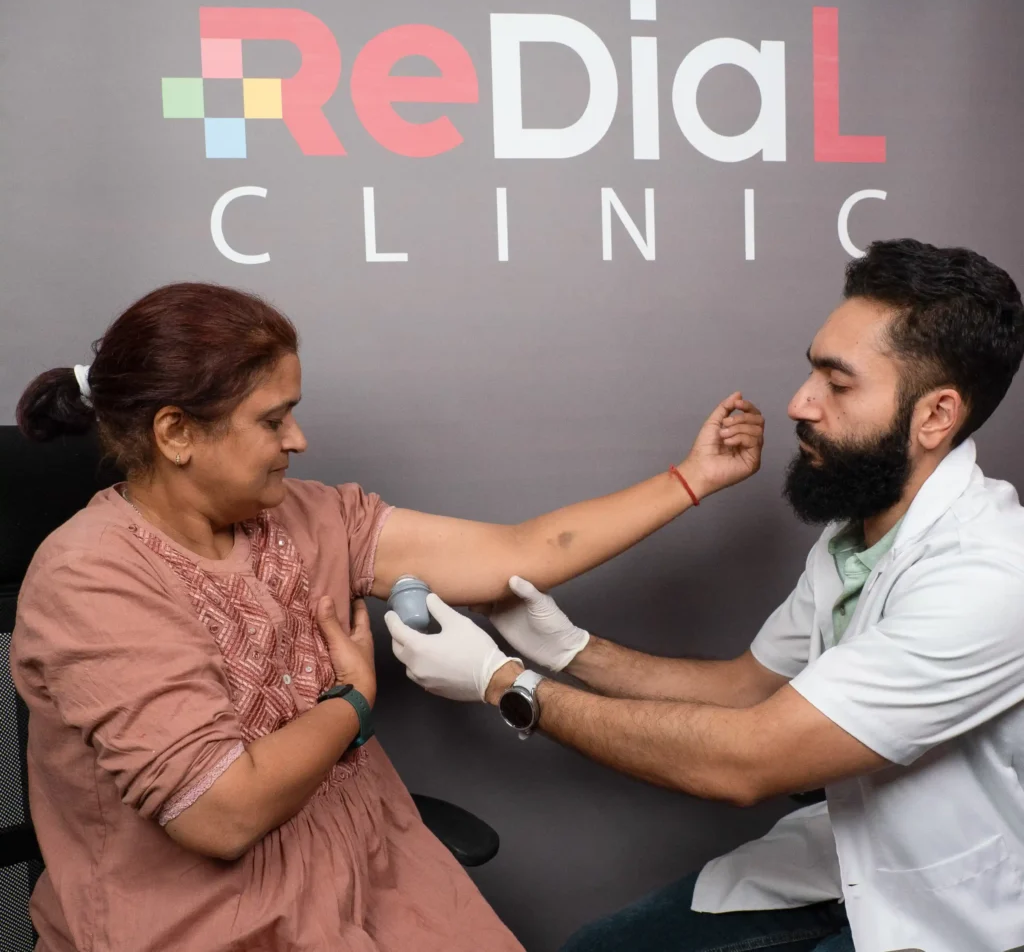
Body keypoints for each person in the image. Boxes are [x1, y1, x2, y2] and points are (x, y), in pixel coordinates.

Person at [9, 282, 763, 952]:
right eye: (273, 421)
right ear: (176, 433)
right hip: (196, 917)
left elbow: (528, 548)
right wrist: (353, 704)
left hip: (367, 871)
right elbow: (220, 815)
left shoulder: (311, 517)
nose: (297, 441)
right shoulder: (92, 577)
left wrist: (692, 479)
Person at [384, 239, 1024, 952]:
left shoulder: (991, 577)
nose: (799, 403)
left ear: (935, 416)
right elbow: (747, 690)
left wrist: (503, 683)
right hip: (835, 863)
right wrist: (569, 649)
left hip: (946, 910)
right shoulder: (855, 537)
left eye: (838, 386)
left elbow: (746, 758)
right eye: (811, 369)